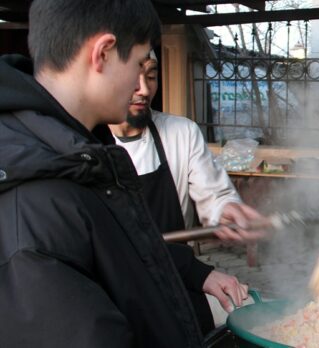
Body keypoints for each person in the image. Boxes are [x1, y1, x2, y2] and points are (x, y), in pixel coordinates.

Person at [2, 0, 199, 346]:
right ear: (103, 53)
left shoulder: (80, 157)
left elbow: (121, 257)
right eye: (139, 64)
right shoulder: (36, 196)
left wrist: (195, 272)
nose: (141, 87)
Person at [108, 52, 266, 334]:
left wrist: (227, 210)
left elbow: (215, 194)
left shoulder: (180, 132)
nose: (144, 89)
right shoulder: (82, 141)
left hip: (174, 283)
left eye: (152, 75)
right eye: (134, 75)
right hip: (114, 295)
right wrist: (200, 273)